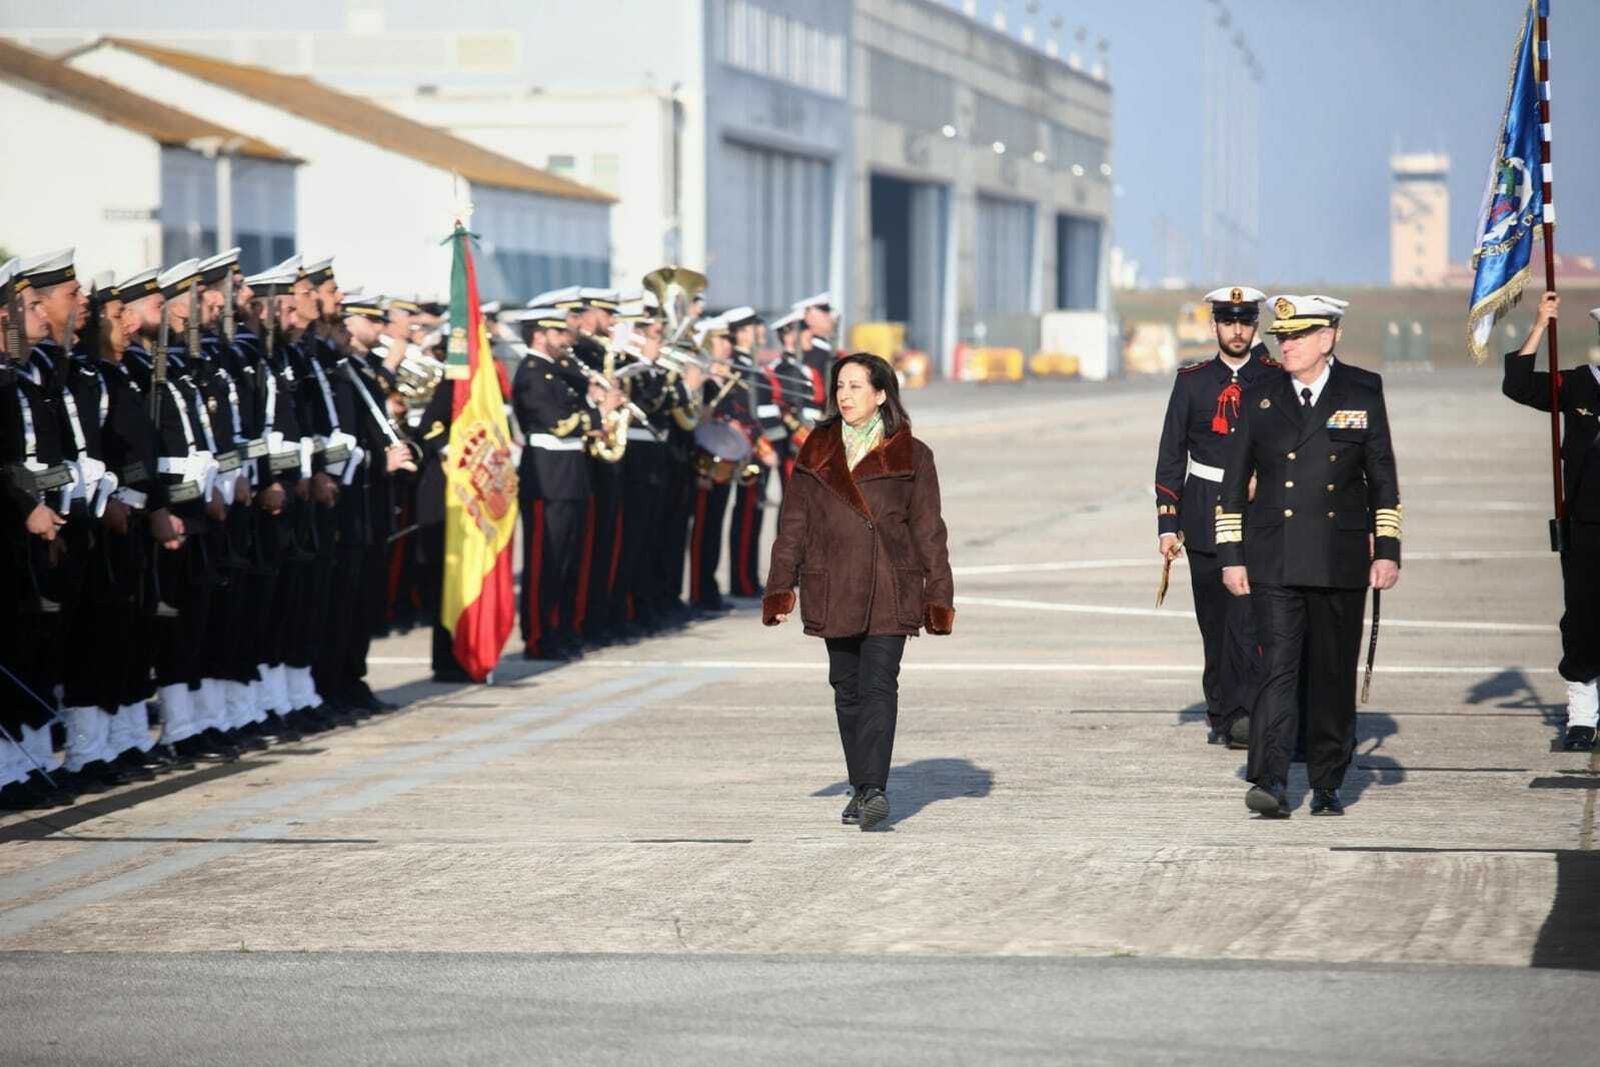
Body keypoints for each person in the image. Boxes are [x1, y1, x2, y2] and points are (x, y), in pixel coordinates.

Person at [1217, 295, 1402, 817]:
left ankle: (1326, 781)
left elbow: (1382, 479)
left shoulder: (1363, 390)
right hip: (1273, 557)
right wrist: (1232, 554)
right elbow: (1231, 487)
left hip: (1339, 557)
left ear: (1329, 337)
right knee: (1276, 670)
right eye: (1281, 337)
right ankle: (1271, 781)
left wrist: (1386, 549)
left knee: (1331, 673)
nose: (1287, 345)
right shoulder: (1259, 395)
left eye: (1298, 336)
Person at [762, 352, 955, 831]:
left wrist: (939, 595)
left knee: (878, 685)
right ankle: (860, 784)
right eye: (840, 387)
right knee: (846, 689)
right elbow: (794, 524)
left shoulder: (913, 454)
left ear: (881, 394)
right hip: (834, 582)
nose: (845, 396)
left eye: (855, 387)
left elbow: (930, 530)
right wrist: (781, 585)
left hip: (892, 584)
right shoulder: (817, 449)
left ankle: (873, 790)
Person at [1154, 286, 1281, 748]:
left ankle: (1246, 711)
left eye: (1245, 322)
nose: (1237, 330)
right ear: (1214, 327)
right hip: (1205, 508)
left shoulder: (1272, 377)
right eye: (1228, 322)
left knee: (1249, 615)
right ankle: (1221, 708)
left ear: (1255, 327)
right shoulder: (1192, 381)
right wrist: (1168, 524)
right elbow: (1171, 453)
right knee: (1214, 620)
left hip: (1257, 512)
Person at [1501, 293, 1600, 750]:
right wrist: (1540, 323)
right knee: (1582, 618)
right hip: (1585, 525)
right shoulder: (1580, 384)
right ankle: (1582, 713)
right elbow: (1518, 385)